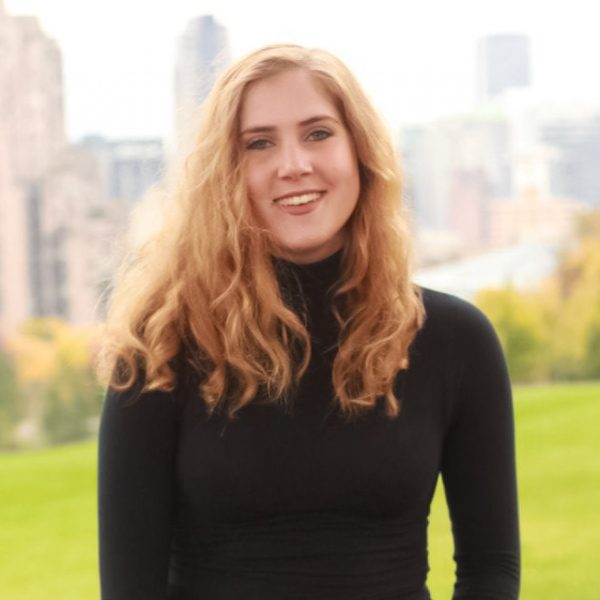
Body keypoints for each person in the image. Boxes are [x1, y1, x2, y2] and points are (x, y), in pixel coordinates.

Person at [97, 44, 520, 599]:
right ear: (225, 173)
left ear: (360, 152)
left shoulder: (454, 340)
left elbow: (491, 569)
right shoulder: (159, 347)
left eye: (318, 133)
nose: (293, 164)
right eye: (259, 143)